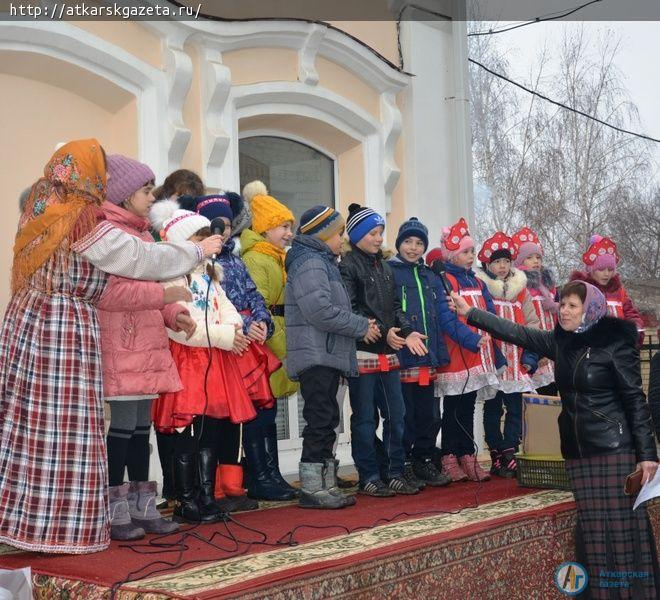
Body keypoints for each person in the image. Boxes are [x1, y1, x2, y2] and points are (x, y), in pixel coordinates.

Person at [0, 139, 222, 554]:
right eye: (98, 173)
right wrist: (193, 251)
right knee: (66, 431)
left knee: (35, 429)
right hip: (61, 328)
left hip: (33, 322)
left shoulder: (44, 207)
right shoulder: (78, 218)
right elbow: (136, 259)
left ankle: (32, 521)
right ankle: (57, 528)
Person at [452, 280, 659, 599]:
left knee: (620, 527)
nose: (563, 310)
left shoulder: (615, 343)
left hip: (614, 450)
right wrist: (473, 313)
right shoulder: (561, 343)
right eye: (561, 304)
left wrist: (647, 455)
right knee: (592, 528)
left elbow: (635, 400)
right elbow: (516, 332)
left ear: (590, 309)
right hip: (577, 453)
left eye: (572, 305)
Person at [98, 155, 186, 539]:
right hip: (122, 341)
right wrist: (163, 293)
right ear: (122, 193)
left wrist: (174, 310)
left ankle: (142, 503)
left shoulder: (144, 234)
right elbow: (113, 293)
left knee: (141, 427)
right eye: (146, 190)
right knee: (120, 426)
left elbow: (156, 279)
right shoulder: (109, 235)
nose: (152, 197)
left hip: (147, 341)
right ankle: (114, 508)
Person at [151, 209, 257, 523]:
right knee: (188, 432)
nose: (207, 241)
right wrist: (227, 337)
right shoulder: (171, 276)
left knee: (211, 430)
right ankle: (187, 500)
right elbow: (183, 327)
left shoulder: (209, 271)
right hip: (188, 362)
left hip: (215, 361)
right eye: (199, 237)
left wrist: (235, 328)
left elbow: (226, 306)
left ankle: (206, 495)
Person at [192, 192, 280, 512]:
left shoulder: (236, 259)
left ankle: (232, 484)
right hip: (216, 348)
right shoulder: (202, 261)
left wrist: (261, 321)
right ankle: (210, 489)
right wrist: (243, 323)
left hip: (242, 346)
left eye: (229, 225)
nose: (225, 231)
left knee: (237, 420)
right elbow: (213, 305)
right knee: (213, 419)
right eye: (219, 225)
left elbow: (254, 296)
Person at [285, 205, 373, 509]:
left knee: (327, 419)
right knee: (320, 419)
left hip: (326, 351)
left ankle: (325, 483)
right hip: (316, 353)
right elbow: (319, 311)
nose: (342, 239)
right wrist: (360, 326)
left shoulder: (323, 262)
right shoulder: (310, 263)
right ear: (322, 235)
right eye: (338, 233)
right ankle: (312, 488)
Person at [340, 204, 428, 497]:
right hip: (363, 352)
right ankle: (368, 475)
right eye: (373, 233)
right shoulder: (348, 266)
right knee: (364, 418)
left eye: (381, 233)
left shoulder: (385, 267)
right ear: (357, 235)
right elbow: (351, 309)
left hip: (389, 353)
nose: (379, 239)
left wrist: (405, 330)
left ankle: (395, 471)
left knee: (396, 414)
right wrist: (381, 329)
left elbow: (395, 308)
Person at [239, 181, 299, 501]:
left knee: (269, 412)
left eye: (290, 226)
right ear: (264, 228)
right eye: (283, 227)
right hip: (263, 349)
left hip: (275, 340)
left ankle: (272, 473)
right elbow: (257, 306)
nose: (289, 233)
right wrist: (279, 346)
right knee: (260, 414)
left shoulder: (275, 257)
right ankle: (261, 475)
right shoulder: (258, 260)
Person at [149, 168, 206, 506]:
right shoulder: (157, 236)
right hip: (163, 334)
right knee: (166, 414)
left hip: (186, 331)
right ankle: (172, 484)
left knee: (186, 414)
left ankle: (189, 486)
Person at [434, 218, 505, 482]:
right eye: (465, 251)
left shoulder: (478, 282)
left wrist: (495, 353)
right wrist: (469, 339)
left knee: (468, 406)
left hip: (478, 355)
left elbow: (490, 314)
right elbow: (446, 319)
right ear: (452, 254)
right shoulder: (445, 280)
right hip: (457, 354)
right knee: (452, 407)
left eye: (472, 251)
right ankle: (449, 455)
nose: (470, 256)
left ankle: (467, 454)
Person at [388, 218, 452, 488]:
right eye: (408, 242)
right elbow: (391, 308)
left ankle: (423, 459)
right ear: (399, 244)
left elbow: (439, 316)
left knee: (430, 414)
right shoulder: (390, 271)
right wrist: (403, 334)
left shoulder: (430, 275)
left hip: (428, 357)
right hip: (404, 356)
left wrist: (439, 352)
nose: (413, 248)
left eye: (419, 243)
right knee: (405, 414)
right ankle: (400, 463)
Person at [475, 232, 539, 478]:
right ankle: (496, 452)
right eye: (496, 262)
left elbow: (532, 325)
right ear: (487, 265)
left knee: (515, 408)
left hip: (517, 362)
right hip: (494, 361)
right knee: (492, 409)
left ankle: (511, 450)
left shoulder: (521, 291)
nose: (502, 266)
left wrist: (531, 358)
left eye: (506, 261)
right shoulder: (483, 291)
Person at [571, 235, 645, 345]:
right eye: (601, 269)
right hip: (594, 351)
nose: (606, 274)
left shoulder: (619, 291)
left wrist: (634, 330)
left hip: (620, 349)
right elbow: (573, 320)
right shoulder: (581, 291)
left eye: (610, 269)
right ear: (591, 269)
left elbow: (631, 313)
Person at [512, 227, 558, 395]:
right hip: (536, 350)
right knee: (537, 398)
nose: (535, 261)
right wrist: (538, 350)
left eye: (538, 257)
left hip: (552, 349)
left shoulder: (549, 286)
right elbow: (525, 321)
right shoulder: (521, 286)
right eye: (529, 257)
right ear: (519, 261)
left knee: (554, 396)